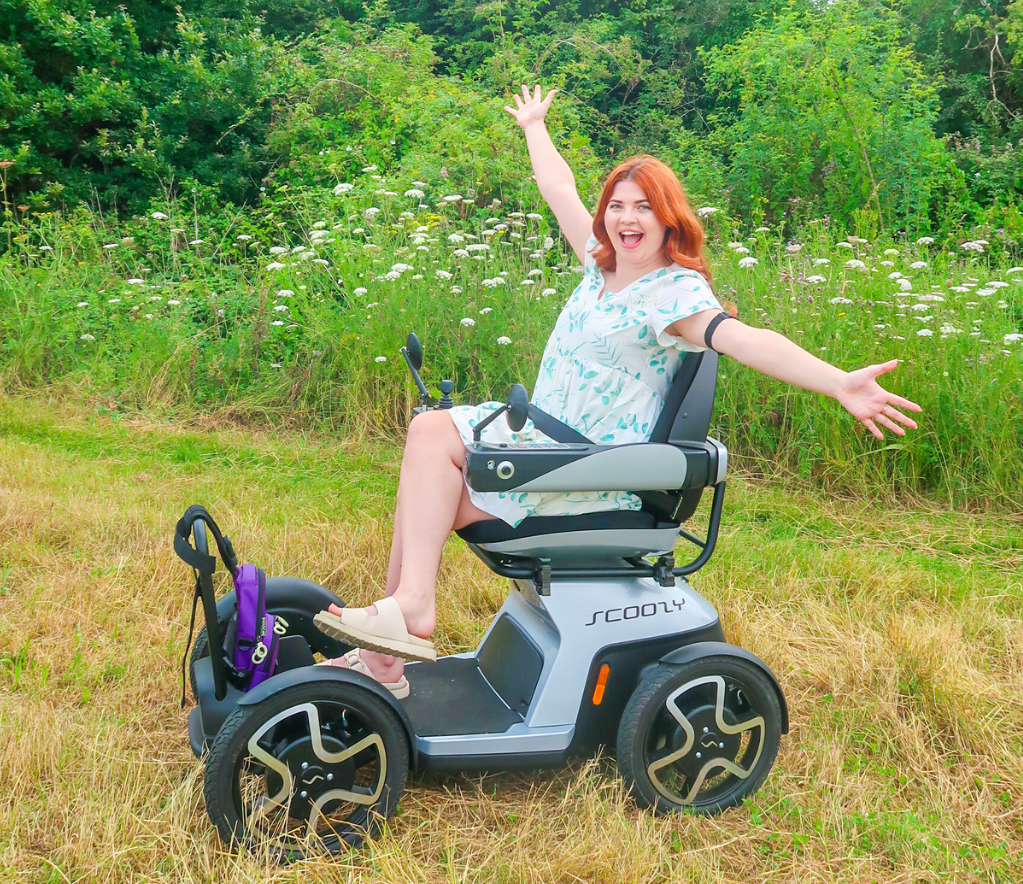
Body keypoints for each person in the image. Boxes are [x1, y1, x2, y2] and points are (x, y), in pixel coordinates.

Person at [315, 84, 922, 697]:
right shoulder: (597, 265)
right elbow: (558, 190)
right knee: (425, 460)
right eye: (617, 205)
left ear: (669, 219)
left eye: (644, 208)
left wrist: (839, 382)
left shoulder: (675, 294)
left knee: (428, 440)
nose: (626, 219)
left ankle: (412, 610)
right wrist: (534, 126)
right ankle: (388, 653)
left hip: (584, 470)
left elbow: (744, 340)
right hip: (544, 447)